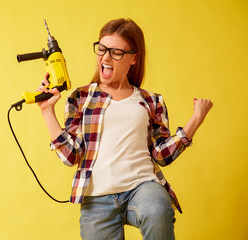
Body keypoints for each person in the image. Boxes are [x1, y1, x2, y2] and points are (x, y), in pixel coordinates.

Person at [36, 18, 213, 240]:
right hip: (97, 200)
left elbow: (161, 154)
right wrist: (46, 111)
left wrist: (196, 119)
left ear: (133, 58)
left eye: (116, 52)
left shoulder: (150, 101)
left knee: (157, 211)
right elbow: (72, 156)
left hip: (142, 187)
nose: (106, 57)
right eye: (101, 49)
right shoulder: (80, 98)